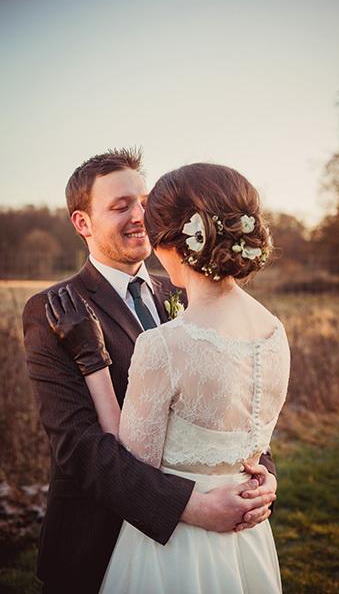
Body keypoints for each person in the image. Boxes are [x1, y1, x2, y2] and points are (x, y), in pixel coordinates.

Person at [23, 149, 279, 593]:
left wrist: (259, 474)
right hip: (96, 542)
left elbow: (233, 401)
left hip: (209, 537)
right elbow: (80, 448)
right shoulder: (53, 309)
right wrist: (193, 508)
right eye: (120, 206)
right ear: (82, 223)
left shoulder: (183, 288)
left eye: (143, 201)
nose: (141, 215)